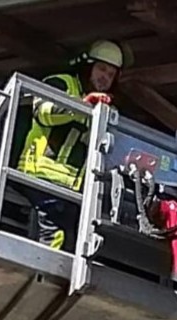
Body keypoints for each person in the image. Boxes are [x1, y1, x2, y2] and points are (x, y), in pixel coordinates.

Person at [17, 40, 125, 250]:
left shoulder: (104, 109)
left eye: (111, 75)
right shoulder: (62, 83)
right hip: (39, 178)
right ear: (88, 67)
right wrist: (83, 106)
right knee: (54, 240)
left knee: (75, 246)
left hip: (72, 192)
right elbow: (43, 112)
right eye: (101, 69)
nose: (105, 77)